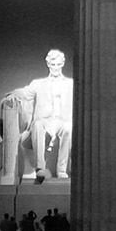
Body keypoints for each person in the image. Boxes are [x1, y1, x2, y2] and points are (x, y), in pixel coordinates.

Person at [24, 50, 74, 182]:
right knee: (38, 125)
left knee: (69, 128)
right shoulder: (38, 84)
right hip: (45, 121)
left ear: (63, 64)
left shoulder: (71, 84)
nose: (56, 67)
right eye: (53, 64)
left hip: (62, 121)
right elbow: (23, 95)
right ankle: (40, 168)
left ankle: (61, 169)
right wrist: (11, 96)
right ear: (48, 64)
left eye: (58, 64)